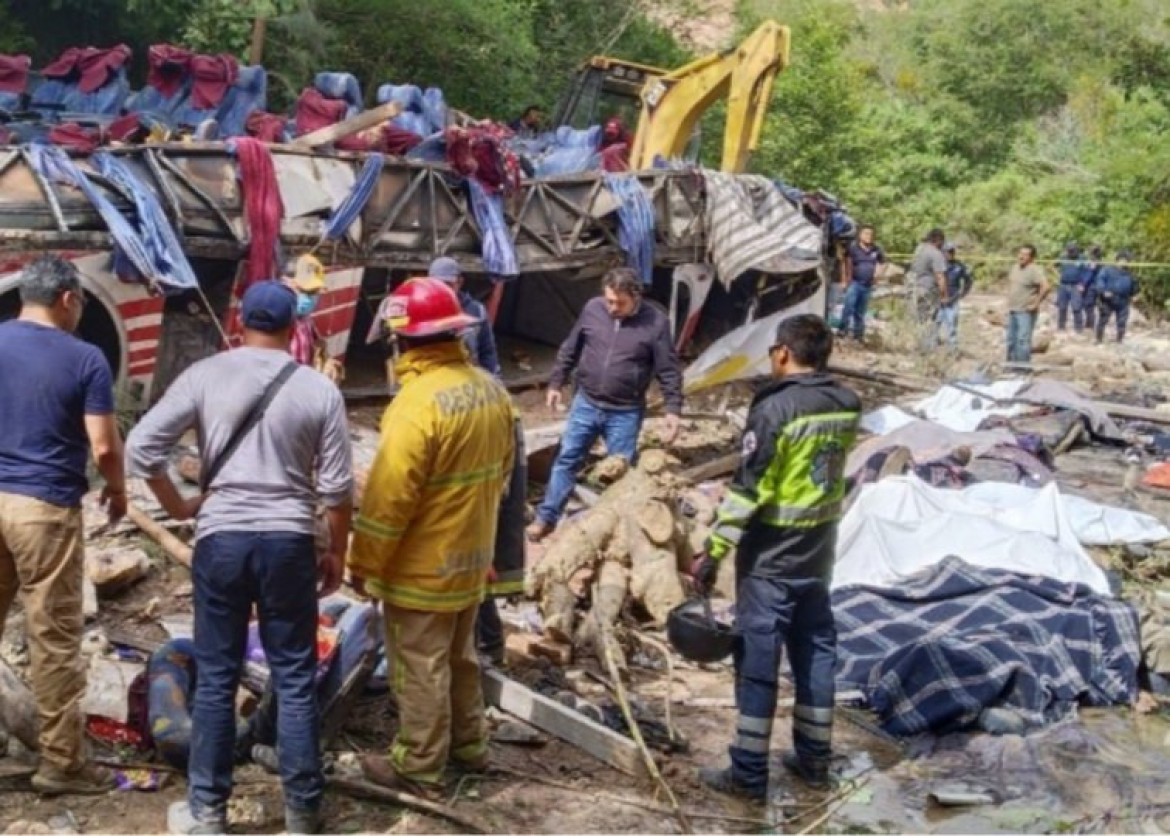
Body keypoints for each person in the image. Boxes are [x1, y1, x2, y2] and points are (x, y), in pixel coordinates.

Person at [127, 280, 353, 835]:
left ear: (240, 323)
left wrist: (178, 504)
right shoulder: (318, 390)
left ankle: (208, 813)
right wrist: (336, 555)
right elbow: (339, 491)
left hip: (222, 540)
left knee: (218, 674)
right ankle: (302, 814)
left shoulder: (206, 375)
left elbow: (140, 449)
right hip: (290, 542)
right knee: (295, 677)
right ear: (294, 329)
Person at [350, 278, 514, 799]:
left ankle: (419, 766)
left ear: (403, 339)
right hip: (471, 560)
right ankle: (470, 746)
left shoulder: (417, 404)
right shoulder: (491, 390)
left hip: (422, 567)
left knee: (420, 667)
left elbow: (387, 500)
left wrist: (364, 562)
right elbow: (504, 476)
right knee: (462, 658)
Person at [692, 314, 860, 800]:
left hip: (771, 558)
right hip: (819, 553)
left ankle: (747, 774)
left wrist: (713, 552)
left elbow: (749, 490)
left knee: (758, 662)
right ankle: (814, 760)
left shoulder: (775, 410)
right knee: (815, 655)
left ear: (783, 353)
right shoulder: (846, 403)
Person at [0, 256, 126, 795]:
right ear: (68, 299)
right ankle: (62, 764)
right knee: (52, 639)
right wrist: (117, 490)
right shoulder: (85, 358)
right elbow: (102, 445)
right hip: (43, 509)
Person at [527, 267, 683, 542]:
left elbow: (668, 369)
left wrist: (673, 409)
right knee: (566, 460)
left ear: (635, 296)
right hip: (586, 403)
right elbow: (571, 347)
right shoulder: (593, 309)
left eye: (619, 302)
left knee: (620, 473)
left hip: (625, 412)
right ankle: (546, 518)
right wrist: (555, 382)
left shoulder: (655, 323)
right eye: (609, 300)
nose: (612, 307)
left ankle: (613, 532)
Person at [426, 256, 521, 665]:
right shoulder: (490, 404)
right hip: (478, 508)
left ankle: (482, 646)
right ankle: (483, 647)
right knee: (477, 570)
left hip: (468, 514)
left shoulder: (441, 404)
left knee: (474, 573)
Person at [427, 257, 501, 376]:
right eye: (437, 285)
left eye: (448, 285)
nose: (443, 290)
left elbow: (487, 352)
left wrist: (494, 381)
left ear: (460, 282)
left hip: (468, 376)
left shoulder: (476, 311)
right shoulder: (422, 311)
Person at [285, 255, 343, 383]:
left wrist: (327, 363)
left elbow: (317, 351)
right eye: (303, 291)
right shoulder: (281, 322)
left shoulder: (307, 322)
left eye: (313, 292)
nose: (308, 298)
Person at [837, 224, 885, 341]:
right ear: (860, 235)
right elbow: (845, 263)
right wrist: (844, 280)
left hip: (867, 285)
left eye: (871, 234)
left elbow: (883, 262)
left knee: (860, 311)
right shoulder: (853, 248)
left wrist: (878, 275)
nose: (869, 236)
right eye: (866, 234)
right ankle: (842, 331)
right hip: (854, 282)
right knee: (848, 307)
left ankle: (858, 335)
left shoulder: (876, 249)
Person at [1005, 244, 1051, 365]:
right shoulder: (1015, 268)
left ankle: (1022, 368)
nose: (1021, 256)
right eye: (1020, 253)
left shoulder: (1034, 270)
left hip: (1025, 311)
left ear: (1031, 258)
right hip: (1013, 309)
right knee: (1011, 339)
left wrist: (1036, 303)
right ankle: (1010, 365)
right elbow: (1012, 285)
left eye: (1025, 255)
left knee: (1022, 340)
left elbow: (1046, 287)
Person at [907, 228, 949, 351]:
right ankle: (927, 348)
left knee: (918, 319)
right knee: (930, 320)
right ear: (939, 240)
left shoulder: (919, 249)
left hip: (915, 287)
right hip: (928, 290)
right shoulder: (935, 254)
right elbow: (940, 277)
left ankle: (917, 344)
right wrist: (944, 295)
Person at [1094, 250, 1138, 344]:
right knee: (1103, 319)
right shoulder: (1108, 270)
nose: (1124, 262)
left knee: (1122, 321)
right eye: (1122, 260)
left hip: (1123, 300)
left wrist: (1134, 294)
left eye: (1126, 260)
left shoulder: (1129, 273)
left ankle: (1119, 340)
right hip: (1108, 299)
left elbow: (1134, 286)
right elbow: (1100, 280)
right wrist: (1103, 291)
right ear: (1117, 260)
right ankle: (1098, 339)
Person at [936, 242, 973, 350]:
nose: (949, 254)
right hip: (938, 300)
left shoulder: (959, 266)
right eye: (947, 251)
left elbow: (968, 281)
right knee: (934, 325)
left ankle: (952, 350)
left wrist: (963, 293)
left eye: (951, 251)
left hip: (952, 301)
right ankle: (932, 349)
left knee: (952, 326)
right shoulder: (937, 265)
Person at [1054, 242, 1088, 332]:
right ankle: (1061, 327)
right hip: (1063, 285)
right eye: (1070, 251)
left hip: (1076, 285)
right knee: (1062, 307)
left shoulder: (1082, 258)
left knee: (1077, 307)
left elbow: (1087, 272)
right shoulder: (1063, 257)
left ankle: (1078, 328)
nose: (1072, 252)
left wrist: (1083, 284)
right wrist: (1057, 276)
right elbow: (1052, 266)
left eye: (1074, 250)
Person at [1082, 245, 1104, 332]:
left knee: (1088, 305)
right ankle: (1091, 323)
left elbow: (1089, 273)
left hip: (1092, 286)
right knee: (1091, 305)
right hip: (1097, 285)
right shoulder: (1099, 260)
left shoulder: (1094, 261)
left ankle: (1090, 324)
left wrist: (1083, 284)